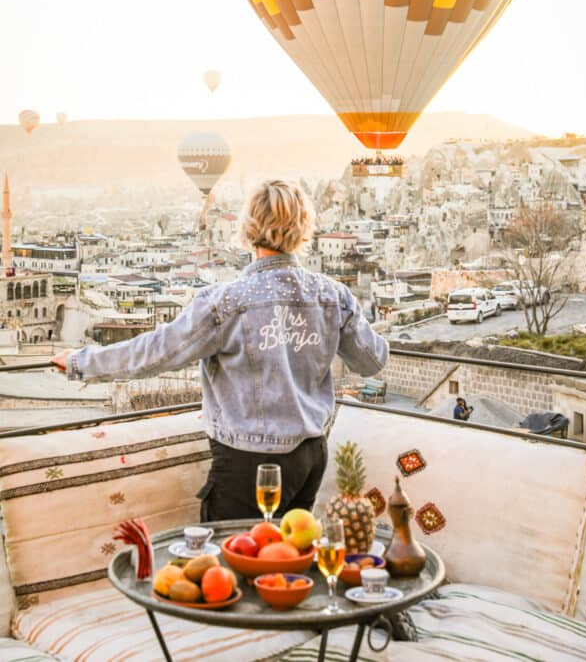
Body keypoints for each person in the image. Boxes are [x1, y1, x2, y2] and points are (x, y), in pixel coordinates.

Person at [52, 180, 388, 521]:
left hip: (251, 461)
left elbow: (157, 352)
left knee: (231, 564)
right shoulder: (333, 295)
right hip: (311, 454)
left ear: (249, 228)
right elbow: (372, 360)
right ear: (304, 229)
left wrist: (82, 361)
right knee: (286, 561)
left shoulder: (226, 302)